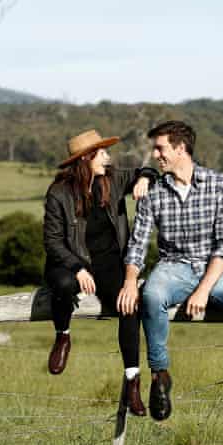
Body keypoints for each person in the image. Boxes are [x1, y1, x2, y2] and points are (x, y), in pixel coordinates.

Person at [117, 120, 223, 432]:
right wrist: (130, 281)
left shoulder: (219, 185)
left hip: (215, 269)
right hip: (173, 267)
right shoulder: (154, 193)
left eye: (160, 148)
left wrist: (203, 291)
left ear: (181, 148)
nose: (156, 155)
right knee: (152, 296)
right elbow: (138, 244)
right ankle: (160, 376)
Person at [43, 129, 157, 415]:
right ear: (86, 159)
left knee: (129, 303)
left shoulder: (113, 179)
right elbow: (53, 241)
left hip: (109, 261)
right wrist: (78, 267)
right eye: (102, 153)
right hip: (70, 260)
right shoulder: (59, 193)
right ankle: (63, 335)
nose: (108, 157)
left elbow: (147, 171)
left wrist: (144, 178)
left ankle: (132, 380)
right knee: (64, 284)